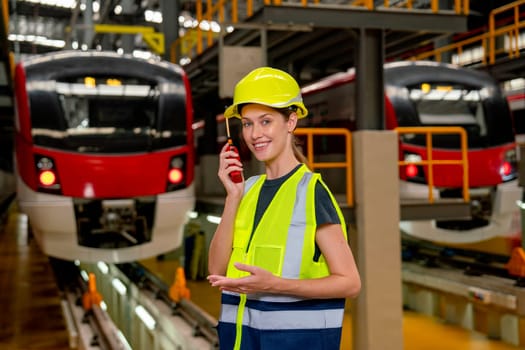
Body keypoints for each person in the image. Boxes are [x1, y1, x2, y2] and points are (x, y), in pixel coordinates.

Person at [207, 67, 361, 350]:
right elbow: (216, 270)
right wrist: (232, 197)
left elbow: (350, 283)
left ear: (291, 122)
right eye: (247, 123)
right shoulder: (247, 190)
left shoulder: (310, 192)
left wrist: (275, 285)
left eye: (266, 121)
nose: (255, 134)